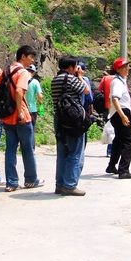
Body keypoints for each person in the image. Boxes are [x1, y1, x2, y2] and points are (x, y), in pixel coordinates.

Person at [0, 45, 43, 192]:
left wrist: (2, 105)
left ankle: (11, 183)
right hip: (22, 117)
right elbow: (20, 91)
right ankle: (31, 180)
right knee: (27, 149)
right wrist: (19, 110)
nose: (32, 60)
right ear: (23, 57)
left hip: (7, 117)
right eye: (31, 57)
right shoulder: (23, 72)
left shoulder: (6, 70)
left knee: (10, 150)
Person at [50, 57, 91, 195]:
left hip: (59, 119)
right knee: (75, 151)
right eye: (75, 67)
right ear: (70, 68)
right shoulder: (73, 79)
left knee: (62, 152)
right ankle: (70, 185)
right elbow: (86, 91)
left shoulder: (54, 80)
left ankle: (60, 184)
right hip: (73, 119)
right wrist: (79, 76)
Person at [106, 57, 131, 179]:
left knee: (118, 141)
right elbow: (114, 99)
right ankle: (124, 170)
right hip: (120, 114)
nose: (127, 69)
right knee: (127, 141)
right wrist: (123, 116)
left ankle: (112, 165)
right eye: (124, 67)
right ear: (118, 69)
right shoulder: (117, 82)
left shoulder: (120, 81)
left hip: (118, 114)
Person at [97, 68, 115, 157]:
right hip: (118, 107)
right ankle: (115, 150)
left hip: (107, 106)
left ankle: (109, 151)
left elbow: (99, 91)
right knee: (116, 129)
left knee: (109, 129)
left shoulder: (105, 79)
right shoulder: (120, 80)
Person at [25, 64, 44, 135]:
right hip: (32, 109)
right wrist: (41, 107)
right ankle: (31, 146)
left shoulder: (21, 80)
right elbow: (40, 96)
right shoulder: (35, 82)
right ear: (34, 72)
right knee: (31, 130)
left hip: (22, 109)